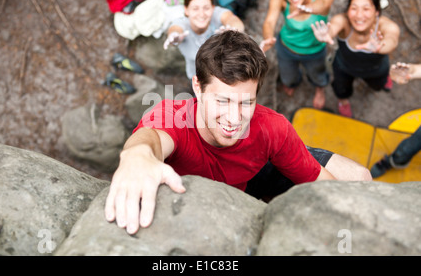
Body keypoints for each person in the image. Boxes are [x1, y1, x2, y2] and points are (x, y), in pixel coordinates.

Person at [104, 30, 371, 235]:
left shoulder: (271, 127)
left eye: (246, 102)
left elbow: (322, 183)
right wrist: (137, 156)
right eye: (222, 101)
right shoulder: (173, 116)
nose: (234, 119)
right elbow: (150, 137)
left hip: (253, 173)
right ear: (197, 86)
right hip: (207, 197)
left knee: (359, 178)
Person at [311, 0, 400, 117]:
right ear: (347, 10)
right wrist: (326, 34)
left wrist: (380, 47)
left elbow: (392, 40)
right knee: (341, 90)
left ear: (377, 11)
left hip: (376, 69)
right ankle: (343, 102)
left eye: (366, 9)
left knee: (378, 85)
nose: (359, 15)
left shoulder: (386, 25)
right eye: (354, 8)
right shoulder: (343, 21)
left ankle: (385, 79)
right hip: (344, 68)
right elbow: (334, 26)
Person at [261, 0, 335, 110]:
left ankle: (320, 89)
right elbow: (269, 22)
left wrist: (307, 9)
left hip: (315, 50)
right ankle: (292, 83)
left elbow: (324, 4)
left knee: (318, 75)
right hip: (286, 48)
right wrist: (268, 38)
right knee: (288, 79)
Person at [163, 0, 245, 80]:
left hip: (225, 74)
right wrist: (174, 37)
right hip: (198, 76)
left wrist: (233, 30)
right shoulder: (181, 23)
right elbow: (175, 29)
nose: (201, 14)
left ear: (213, 8)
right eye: (195, 9)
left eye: (206, 8)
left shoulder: (217, 14)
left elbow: (232, 19)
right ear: (186, 10)